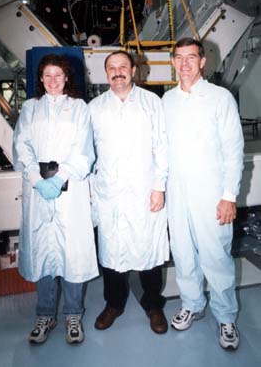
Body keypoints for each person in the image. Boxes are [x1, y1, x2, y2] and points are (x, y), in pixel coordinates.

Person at [163, 37, 244, 350]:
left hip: (211, 194)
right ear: (172, 62)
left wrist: (229, 196)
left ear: (202, 62)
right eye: (179, 57)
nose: (185, 64)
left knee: (216, 257)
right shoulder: (167, 101)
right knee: (183, 255)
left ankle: (225, 317)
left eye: (191, 57)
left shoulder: (220, 98)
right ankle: (192, 304)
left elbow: (233, 151)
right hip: (177, 194)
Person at [13, 53, 98, 345]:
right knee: (42, 252)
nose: (52, 81)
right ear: (40, 79)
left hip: (69, 188)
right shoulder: (30, 108)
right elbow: (21, 145)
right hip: (37, 191)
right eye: (47, 76)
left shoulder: (79, 109)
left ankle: (73, 314)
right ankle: (45, 314)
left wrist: (60, 179)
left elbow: (84, 150)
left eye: (58, 76)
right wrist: (37, 181)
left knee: (71, 252)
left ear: (66, 79)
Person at [89, 50, 169, 334]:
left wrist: (159, 187)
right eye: (112, 67)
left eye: (123, 66)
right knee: (112, 251)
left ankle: (154, 305)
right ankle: (114, 304)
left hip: (144, 191)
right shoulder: (94, 108)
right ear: (106, 73)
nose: (118, 71)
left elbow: (162, 147)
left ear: (134, 71)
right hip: (109, 192)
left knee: (148, 250)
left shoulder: (152, 103)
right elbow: (88, 153)